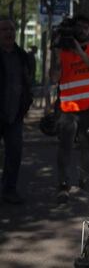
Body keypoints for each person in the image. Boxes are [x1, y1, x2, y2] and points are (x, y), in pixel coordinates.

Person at [51, 14, 89, 204]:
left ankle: (85, 181)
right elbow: (53, 77)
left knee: (88, 147)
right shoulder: (63, 51)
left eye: (86, 27)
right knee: (64, 147)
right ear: (74, 29)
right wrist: (57, 56)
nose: (82, 30)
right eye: (79, 27)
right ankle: (63, 185)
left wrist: (79, 51)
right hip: (68, 108)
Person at [0, 16, 33, 204]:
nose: (9, 33)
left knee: (14, 153)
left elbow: (28, 83)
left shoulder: (22, 56)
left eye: (11, 29)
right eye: (4, 30)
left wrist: (26, 104)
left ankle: (9, 190)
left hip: (15, 115)